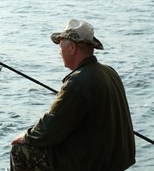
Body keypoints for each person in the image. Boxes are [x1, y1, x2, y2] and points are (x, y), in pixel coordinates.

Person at [10, 19, 136, 171]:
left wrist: (26, 136)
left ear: (72, 47)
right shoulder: (109, 72)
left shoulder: (78, 81)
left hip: (93, 163)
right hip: (116, 160)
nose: (59, 51)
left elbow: (51, 127)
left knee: (19, 150)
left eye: (61, 45)